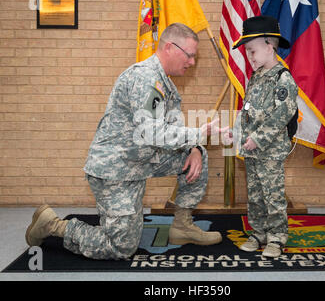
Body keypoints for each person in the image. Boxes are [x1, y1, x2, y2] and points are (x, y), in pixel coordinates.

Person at [25, 23, 223, 260]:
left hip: (141, 160)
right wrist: (199, 134)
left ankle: (182, 226)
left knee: (197, 154)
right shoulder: (145, 78)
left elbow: (172, 129)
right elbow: (152, 133)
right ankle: (53, 226)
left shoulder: (166, 83)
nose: (192, 62)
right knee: (121, 247)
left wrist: (194, 147)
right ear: (170, 47)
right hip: (114, 170)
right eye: (189, 55)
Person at [226, 15, 298, 258]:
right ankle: (258, 232)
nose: (250, 57)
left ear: (270, 46)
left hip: (270, 150)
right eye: (247, 52)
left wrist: (258, 138)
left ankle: (277, 237)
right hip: (252, 150)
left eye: (252, 51)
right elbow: (247, 110)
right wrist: (235, 132)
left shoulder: (282, 78)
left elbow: (282, 115)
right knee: (255, 194)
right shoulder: (256, 77)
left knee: (272, 194)